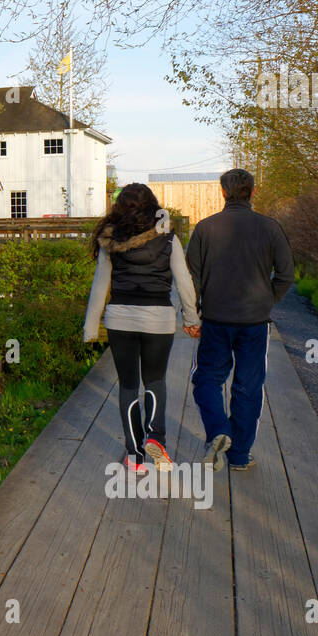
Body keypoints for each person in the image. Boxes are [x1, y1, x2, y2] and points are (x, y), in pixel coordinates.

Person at [84, 183, 201, 473]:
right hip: (158, 318)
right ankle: (156, 439)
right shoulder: (167, 237)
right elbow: (184, 280)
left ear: (120, 207)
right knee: (155, 381)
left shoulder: (110, 239)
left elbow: (100, 286)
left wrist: (90, 326)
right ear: (152, 206)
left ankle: (134, 456)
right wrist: (191, 319)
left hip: (120, 318)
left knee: (127, 385)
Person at [185, 169, 295, 472]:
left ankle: (219, 430)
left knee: (206, 379)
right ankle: (239, 456)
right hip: (255, 323)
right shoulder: (271, 228)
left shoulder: (205, 229)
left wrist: (192, 314)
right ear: (253, 192)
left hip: (216, 319)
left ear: (222, 192)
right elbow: (286, 275)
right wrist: (266, 300)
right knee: (248, 386)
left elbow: (190, 278)